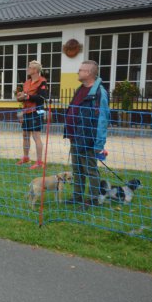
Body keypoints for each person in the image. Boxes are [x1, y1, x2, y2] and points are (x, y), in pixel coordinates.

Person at [63, 60, 110, 208]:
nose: (78, 72)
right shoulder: (80, 89)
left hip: (88, 138)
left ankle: (92, 199)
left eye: (81, 70)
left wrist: (99, 144)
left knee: (90, 170)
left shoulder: (99, 92)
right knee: (77, 169)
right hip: (75, 136)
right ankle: (77, 197)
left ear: (89, 73)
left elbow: (103, 119)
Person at [15, 60, 48, 169]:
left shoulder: (42, 81)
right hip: (26, 111)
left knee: (36, 136)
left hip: (37, 111)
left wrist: (27, 97)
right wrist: (20, 97)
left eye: (29, 67)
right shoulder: (26, 82)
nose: (27, 69)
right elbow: (24, 96)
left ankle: (39, 162)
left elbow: (42, 98)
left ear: (35, 70)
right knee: (25, 135)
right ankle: (26, 157)